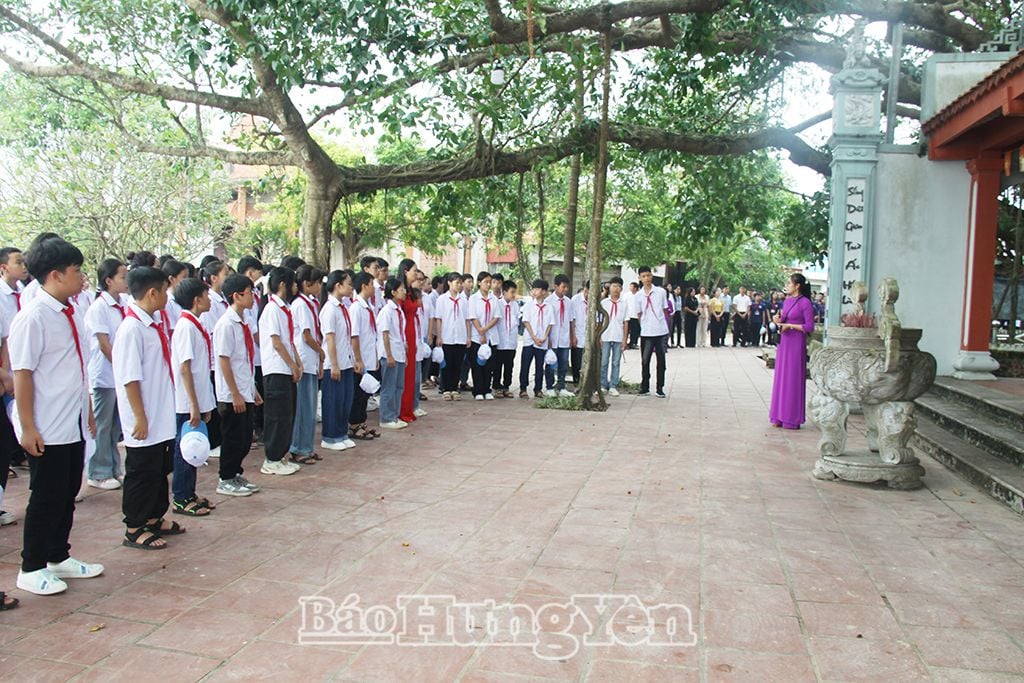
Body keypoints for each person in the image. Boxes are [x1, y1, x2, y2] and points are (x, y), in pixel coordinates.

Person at [11, 236, 103, 593]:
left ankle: (57, 556)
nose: (81, 278)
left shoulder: (69, 310)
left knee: (67, 491)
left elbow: (74, 367)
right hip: (47, 425)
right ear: (53, 275)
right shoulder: (33, 317)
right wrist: (29, 426)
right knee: (46, 495)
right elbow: (23, 374)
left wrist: (87, 412)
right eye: (76, 271)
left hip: (72, 420)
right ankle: (31, 566)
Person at [114, 266, 182, 550]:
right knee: (141, 471)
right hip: (144, 416)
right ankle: (134, 525)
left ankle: (154, 517)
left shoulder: (151, 323)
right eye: (165, 291)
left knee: (158, 469)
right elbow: (130, 379)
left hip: (159, 411)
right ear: (153, 293)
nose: (168, 297)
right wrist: (140, 418)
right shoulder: (131, 329)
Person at [169, 277, 217, 513]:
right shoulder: (186, 327)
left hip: (197, 397)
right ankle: (181, 497)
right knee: (185, 449)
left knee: (194, 447)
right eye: (206, 295)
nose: (209, 299)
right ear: (197, 299)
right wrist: (194, 405)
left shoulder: (195, 324)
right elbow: (185, 367)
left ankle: (190, 492)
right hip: (188, 402)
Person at [214, 274, 263, 495]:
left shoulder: (243, 321)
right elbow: (223, 360)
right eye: (249, 293)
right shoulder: (226, 324)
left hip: (244, 388)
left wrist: (252, 390)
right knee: (233, 437)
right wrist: (235, 393)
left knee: (244, 437)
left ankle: (235, 474)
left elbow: (244, 361)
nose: (253, 297)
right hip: (231, 392)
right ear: (236, 296)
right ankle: (225, 477)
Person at [84, 258, 128, 491]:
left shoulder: (124, 303)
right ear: (108, 280)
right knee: (102, 424)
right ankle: (98, 471)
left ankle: (112, 467)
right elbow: (104, 344)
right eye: (122, 276)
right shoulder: (99, 308)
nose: (126, 279)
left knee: (113, 426)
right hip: (105, 375)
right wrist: (122, 366)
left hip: (118, 375)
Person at [259, 267, 302, 476]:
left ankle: (280, 456)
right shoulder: (272, 309)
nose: (296, 287)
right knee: (276, 416)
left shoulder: (284, 309)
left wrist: (297, 362)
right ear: (283, 284)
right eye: (293, 283)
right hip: (276, 369)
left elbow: (289, 340)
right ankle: (272, 458)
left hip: (286, 368)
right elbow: (276, 342)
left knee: (287, 415)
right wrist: (292, 364)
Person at [769, 273, 816, 430]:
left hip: (796, 343)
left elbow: (809, 327)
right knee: (781, 378)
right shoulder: (787, 301)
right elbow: (784, 321)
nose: (787, 285)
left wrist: (791, 326)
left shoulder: (805, 303)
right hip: (785, 342)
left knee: (793, 378)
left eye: (789, 283)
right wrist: (779, 321)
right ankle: (778, 415)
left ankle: (791, 418)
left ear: (797, 286)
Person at [289, 265, 325, 465]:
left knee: (310, 407)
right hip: (304, 357)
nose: (319, 286)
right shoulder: (300, 305)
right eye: (317, 282)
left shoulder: (311, 303)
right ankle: (298, 448)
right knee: (303, 407)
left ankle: (308, 446)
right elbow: (306, 334)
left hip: (311, 359)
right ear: (306, 284)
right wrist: (320, 350)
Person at [320, 270, 357, 450]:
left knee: (345, 399)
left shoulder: (344, 308)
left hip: (346, 360)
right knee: (333, 400)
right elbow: (330, 338)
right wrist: (334, 364)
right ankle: (330, 436)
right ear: (338, 286)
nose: (351, 288)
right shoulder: (329, 309)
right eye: (349, 284)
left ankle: (341, 432)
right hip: (334, 363)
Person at [348, 272, 381, 439]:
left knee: (365, 394)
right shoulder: (355, 308)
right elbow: (354, 336)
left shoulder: (369, 307)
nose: (374, 288)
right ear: (364, 286)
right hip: (360, 359)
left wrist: (374, 357)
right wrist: (358, 359)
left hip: (369, 356)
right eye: (371, 284)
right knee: (358, 394)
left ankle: (361, 422)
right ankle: (354, 425)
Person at [237, 256, 265, 442]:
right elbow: (253, 329)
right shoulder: (242, 299)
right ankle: (254, 429)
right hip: (252, 354)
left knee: (259, 392)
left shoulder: (255, 296)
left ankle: (258, 428)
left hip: (257, 355)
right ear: (250, 272)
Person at [432, 271, 470, 401]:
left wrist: (468, 337)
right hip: (447, 336)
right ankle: (446, 388)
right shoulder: (442, 299)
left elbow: (467, 319)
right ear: (449, 283)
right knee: (446, 364)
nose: (459, 285)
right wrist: (439, 336)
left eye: (460, 283)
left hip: (460, 336)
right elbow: (439, 319)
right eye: (457, 283)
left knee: (457, 364)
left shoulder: (463, 299)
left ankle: (454, 388)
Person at [634, 266, 670, 397]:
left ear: (652, 276)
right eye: (643, 276)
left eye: (648, 275)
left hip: (660, 331)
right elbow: (638, 314)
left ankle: (660, 387)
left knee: (661, 361)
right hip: (646, 332)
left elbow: (665, 310)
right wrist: (644, 325)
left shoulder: (660, 292)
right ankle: (645, 386)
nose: (646, 279)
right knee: (645, 360)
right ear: (640, 278)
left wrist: (666, 327)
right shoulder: (638, 295)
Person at [377, 277, 408, 428]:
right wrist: (388, 355)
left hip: (399, 352)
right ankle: (386, 417)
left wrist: (404, 352)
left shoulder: (399, 310)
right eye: (402, 289)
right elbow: (385, 333)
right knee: (389, 386)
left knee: (398, 386)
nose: (405, 292)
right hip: (391, 354)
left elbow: (400, 333)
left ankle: (394, 415)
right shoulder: (386, 311)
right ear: (393, 292)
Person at [467, 271, 498, 401]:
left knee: (489, 365)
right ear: (479, 283)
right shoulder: (473, 299)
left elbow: (496, 317)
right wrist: (480, 331)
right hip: (476, 336)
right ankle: (478, 390)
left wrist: (485, 329)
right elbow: (472, 317)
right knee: (477, 365)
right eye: (486, 282)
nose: (488, 284)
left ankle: (487, 389)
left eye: (490, 282)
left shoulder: (494, 299)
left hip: (490, 335)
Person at [397, 259, 421, 423]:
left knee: (411, 372)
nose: (417, 273)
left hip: (413, 331)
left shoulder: (412, 290)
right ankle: (401, 410)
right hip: (404, 331)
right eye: (414, 270)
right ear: (405, 271)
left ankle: (409, 408)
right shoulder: (399, 290)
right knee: (404, 374)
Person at [519, 279, 551, 398]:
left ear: (544, 292)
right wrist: (534, 337)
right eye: (534, 289)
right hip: (529, 340)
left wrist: (544, 337)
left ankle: (538, 389)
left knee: (539, 366)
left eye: (537, 289)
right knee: (525, 365)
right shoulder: (528, 305)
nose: (535, 291)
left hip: (542, 341)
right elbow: (526, 322)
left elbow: (550, 324)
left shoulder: (549, 307)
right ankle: (523, 388)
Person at [599, 276, 629, 396]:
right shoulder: (604, 303)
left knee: (616, 362)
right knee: (604, 361)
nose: (616, 289)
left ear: (621, 289)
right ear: (609, 287)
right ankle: (602, 384)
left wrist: (625, 339)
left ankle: (613, 385)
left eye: (618, 286)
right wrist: (599, 336)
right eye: (613, 286)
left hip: (618, 335)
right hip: (605, 335)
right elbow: (599, 321)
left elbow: (626, 322)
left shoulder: (624, 304)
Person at [545, 274, 573, 397]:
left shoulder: (568, 302)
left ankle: (561, 386)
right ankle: (549, 386)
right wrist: (547, 338)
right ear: (556, 286)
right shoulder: (548, 302)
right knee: (551, 362)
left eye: (567, 287)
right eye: (563, 287)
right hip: (552, 337)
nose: (565, 289)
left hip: (564, 337)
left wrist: (572, 337)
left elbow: (571, 320)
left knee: (563, 363)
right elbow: (546, 322)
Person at [492, 279, 519, 397]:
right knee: (497, 365)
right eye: (511, 292)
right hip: (500, 340)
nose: (513, 295)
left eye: (514, 292)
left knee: (509, 365)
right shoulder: (497, 304)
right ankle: (496, 386)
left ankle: (506, 386)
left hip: (511, 341)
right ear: (504, 292)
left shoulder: (515, 305)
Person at [569, 282, 589, 385]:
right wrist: (573, 336)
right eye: (586, 292)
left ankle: (586, 382)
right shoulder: (575, 300)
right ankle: (576, 381)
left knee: (587, 362)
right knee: (576, 361)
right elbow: (572, 320)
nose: (587, 295)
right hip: (577, 334)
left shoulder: (595, 301)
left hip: (589, 337)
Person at [0, 246, 26, 322]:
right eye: (19, 263)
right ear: (4, 268)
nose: (24, 267)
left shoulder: (24, 290)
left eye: (24, 262)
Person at [625, 282, 641, 349]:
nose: (630, 288)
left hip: (636, 316)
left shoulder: (639, 295)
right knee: (627, 330)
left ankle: (633, 343)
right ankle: (625, 342)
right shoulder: (627, 295)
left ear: (635, 288)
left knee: (635, 330)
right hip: (628, 315)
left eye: (631, 286)